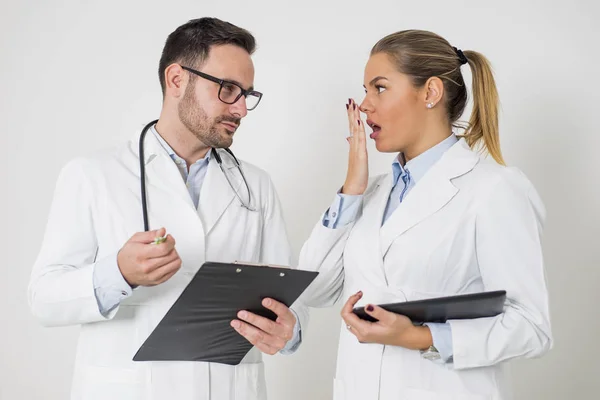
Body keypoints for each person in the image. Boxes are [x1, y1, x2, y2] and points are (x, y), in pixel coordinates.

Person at [28, 17, 307, 400]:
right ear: (177, 80)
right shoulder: (92, 174)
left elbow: (289, 298)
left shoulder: (255, 186)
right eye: (228, 89)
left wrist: (290, 331)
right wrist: (119, 273)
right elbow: (43, 299)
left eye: (247, 94)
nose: (241, 108)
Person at [299, 29, 552, 399]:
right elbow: (316, 290)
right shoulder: (370, 193)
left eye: (379, 87)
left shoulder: (494, 188)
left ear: (431, 93)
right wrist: (352, 187)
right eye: (366, 90)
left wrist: (419, 337)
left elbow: (532, 327)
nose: (365, 105)